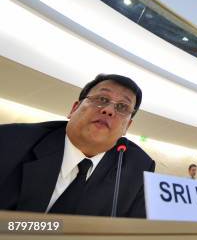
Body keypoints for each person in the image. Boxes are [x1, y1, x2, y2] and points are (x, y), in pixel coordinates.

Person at [0, 74, 155, 217]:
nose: (108, 110)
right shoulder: (9, 141)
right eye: (102, 99)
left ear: (127, 126)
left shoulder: (138, 168)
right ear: (74, 109)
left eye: (122, 107)